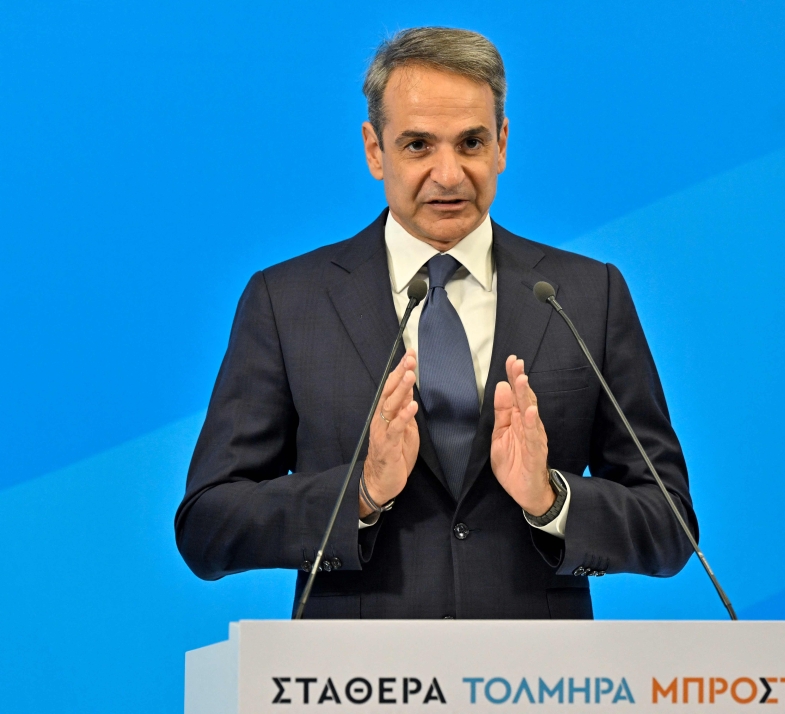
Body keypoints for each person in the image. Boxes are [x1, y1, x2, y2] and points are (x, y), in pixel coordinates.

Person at [175, 26, 697, 619]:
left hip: (533, 687)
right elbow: (208, 527)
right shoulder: (288, 301)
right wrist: (361, 492)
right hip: (353, 689)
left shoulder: (585, 295)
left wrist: (550, 498)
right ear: (375, 150)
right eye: (419, 145)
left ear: (502, 144)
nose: (448, 175)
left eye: (471, 143)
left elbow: (670, 522)